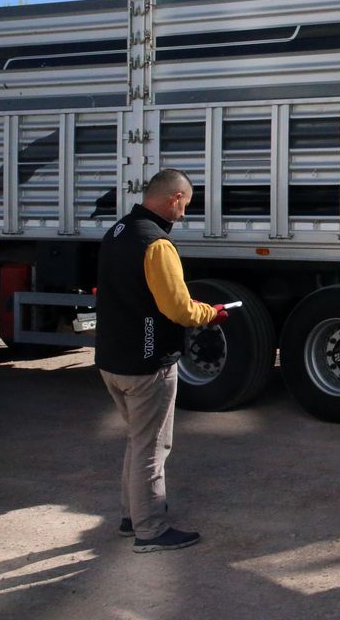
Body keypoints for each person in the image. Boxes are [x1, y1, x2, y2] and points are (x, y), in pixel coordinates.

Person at [95, 169, 225, 553]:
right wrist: (211, 313)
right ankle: (150, 531)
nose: (184, 213)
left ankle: (130, 517)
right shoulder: (157, 244)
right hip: (147, 362)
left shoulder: (118, 231)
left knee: (137, 440)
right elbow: (178, 309)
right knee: (152, 447)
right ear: (174, 198)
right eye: (186, 204)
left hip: (113, 359)